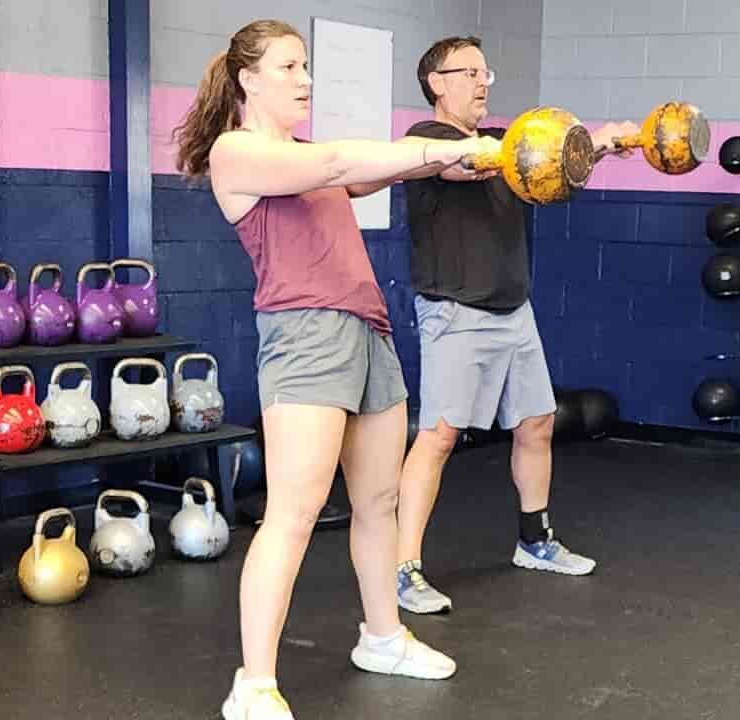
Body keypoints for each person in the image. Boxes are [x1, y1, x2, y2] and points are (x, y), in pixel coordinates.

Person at [172, 19, 500, 720]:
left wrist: (476, 156)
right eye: (290, 67)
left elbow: (390, 167)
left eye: (306, 67)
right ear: (247, 79)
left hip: (368, 330)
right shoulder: (239, 152)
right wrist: (443, 147)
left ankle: (382, 637)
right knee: (292, 512)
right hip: (305, 336)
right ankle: (253, 684)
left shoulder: (306, 152)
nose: (306, 80)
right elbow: (340, 167)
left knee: (378, 502)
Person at [393, 36, 640, 615]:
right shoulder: (424, 143)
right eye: (470, 73)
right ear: (436, 82)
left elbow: (543, 158)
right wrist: (551, 145)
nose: (483, 83)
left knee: (537, 423)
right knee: (439, 437)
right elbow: (465, 167)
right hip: (455, 310)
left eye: (487, 73)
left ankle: (535, 539)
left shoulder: (504, 145)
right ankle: (403, 568)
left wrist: (597, 143)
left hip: (513, 309)